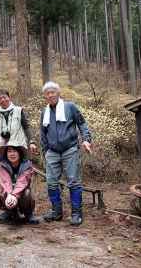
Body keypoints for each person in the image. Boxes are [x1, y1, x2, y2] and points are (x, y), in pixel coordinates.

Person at [40, 81, 92, 226]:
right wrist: (45, 150)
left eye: (53, 92)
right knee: (51, 182)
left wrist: (86, 139)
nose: (50, 95)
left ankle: (76, 213)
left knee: (73, 181)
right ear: (45, 96)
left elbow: (82, 123)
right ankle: (56, 211)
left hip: (70, 149)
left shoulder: (70, 107)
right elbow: (42, 133)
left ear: (58, 93)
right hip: (52, 151)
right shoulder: (44, 112)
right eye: (47, 93)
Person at [0, 144, 39, 225]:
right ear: (6, 153)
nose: (12, 154)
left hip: (22, 194)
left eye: (15, 151)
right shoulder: (3, 164)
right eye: (9, 151)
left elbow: (22, 182)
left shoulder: (27, 165)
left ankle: (28, 214)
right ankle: (9, 212)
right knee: (5, 192)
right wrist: (10, 195)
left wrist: (14, 195)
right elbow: (6, 182)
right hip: (9, 195)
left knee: (27, 193)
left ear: (19, 153)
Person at [0, 90, 37, 158]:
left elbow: (26, 127)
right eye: (0, 99)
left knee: (23, 167)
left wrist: (31, 142)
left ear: (9, 97)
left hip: (19, 147)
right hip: (4, 149)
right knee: (5, 168)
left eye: (4, 97)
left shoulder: (18, 110)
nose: (3, 100)